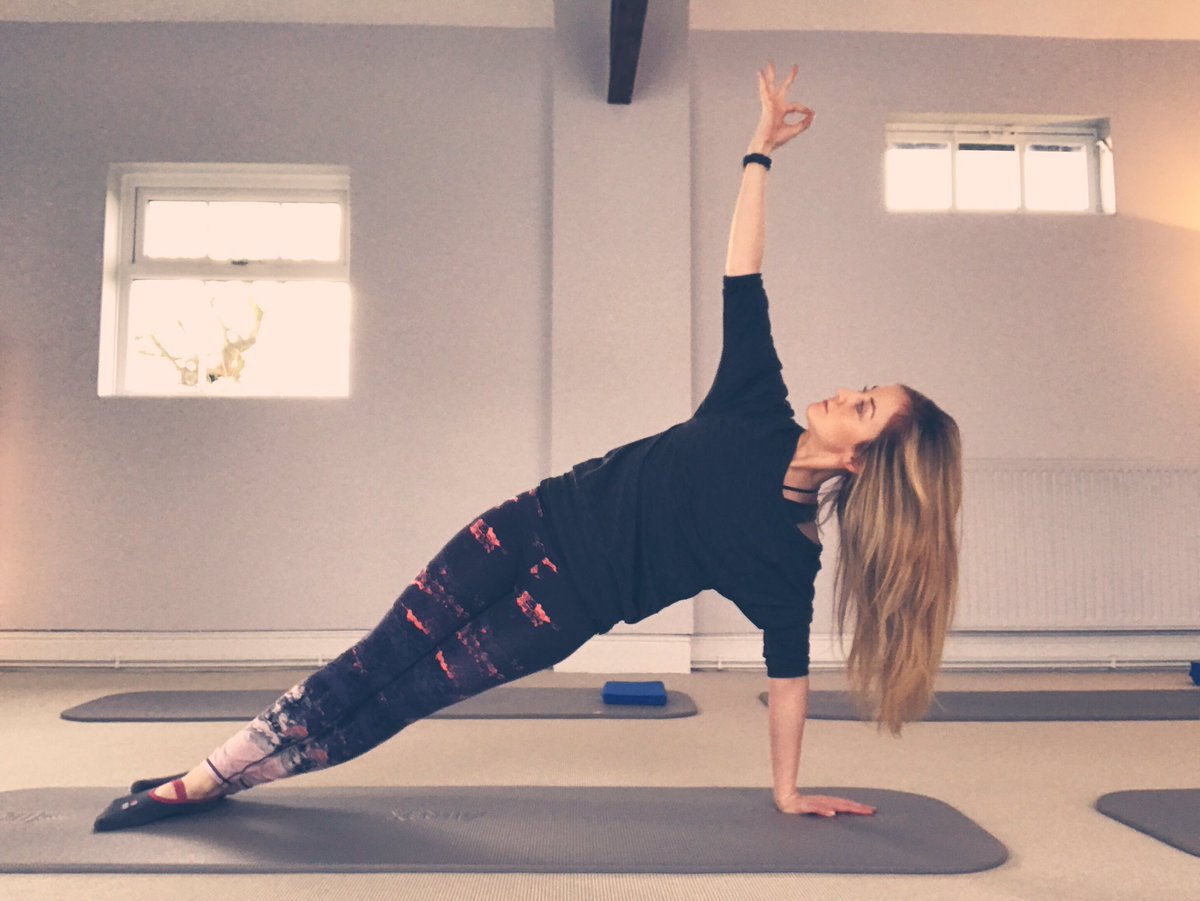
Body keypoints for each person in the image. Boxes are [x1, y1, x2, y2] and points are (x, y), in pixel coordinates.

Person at [94, 62, 961, 832]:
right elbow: (744, 269)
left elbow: (789, 679)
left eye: (863, 406)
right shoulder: (755, 401)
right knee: (378, 656)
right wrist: (758, 151)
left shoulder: (787, 556)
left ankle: (217, 779)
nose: (844, 393)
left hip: (560, 611)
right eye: (862, 387)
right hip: (526, 523)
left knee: (403, 697)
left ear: (861, 460)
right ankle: (206, 775)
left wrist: (787, 791)